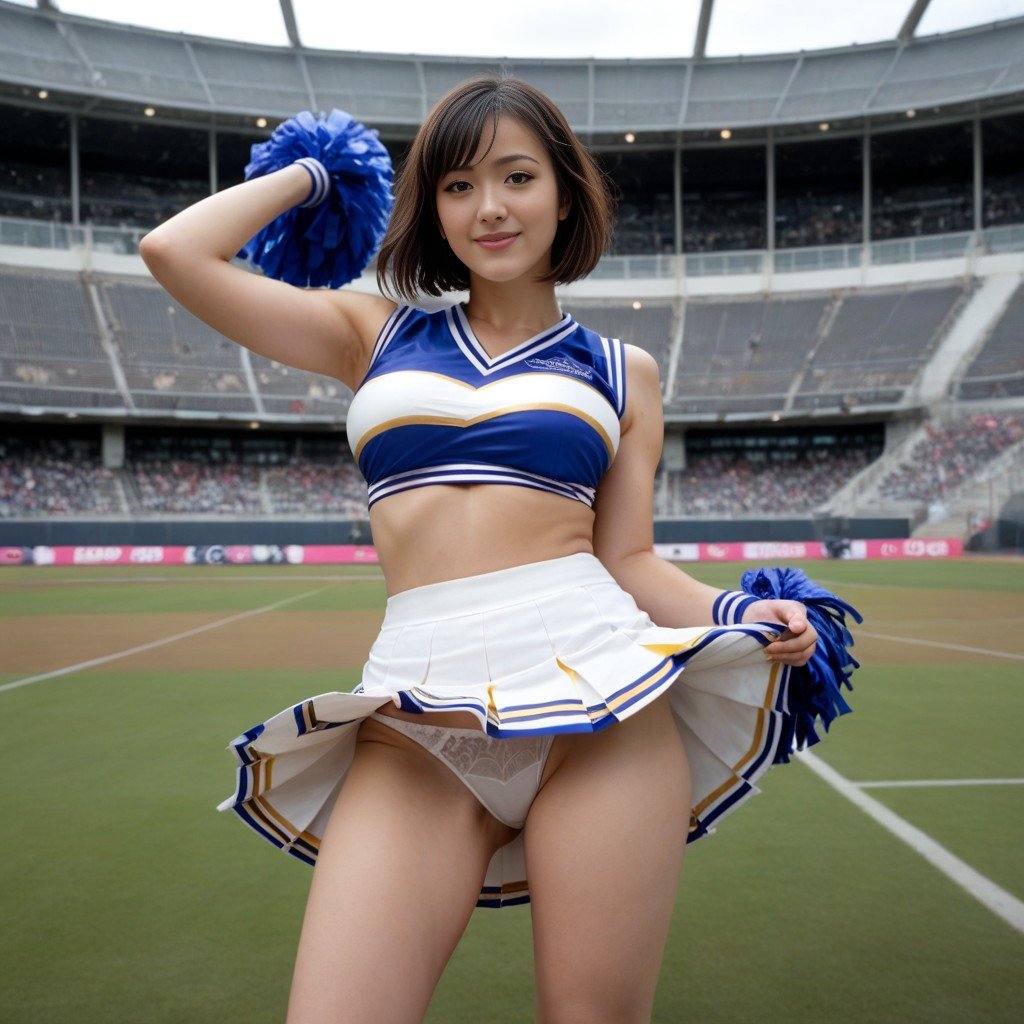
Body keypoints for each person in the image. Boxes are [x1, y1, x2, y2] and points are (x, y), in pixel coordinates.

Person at [141, 76, 830, 1024]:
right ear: (431, 206)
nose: (491, 208)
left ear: (564, 192)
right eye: (458, 185)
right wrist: (320, 171)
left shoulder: (625, 371)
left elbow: (628, 562)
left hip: (601, 705)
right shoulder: (370, 332)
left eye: (517, 176)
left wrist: (737, 612)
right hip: (417, 718)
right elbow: (173, 251)